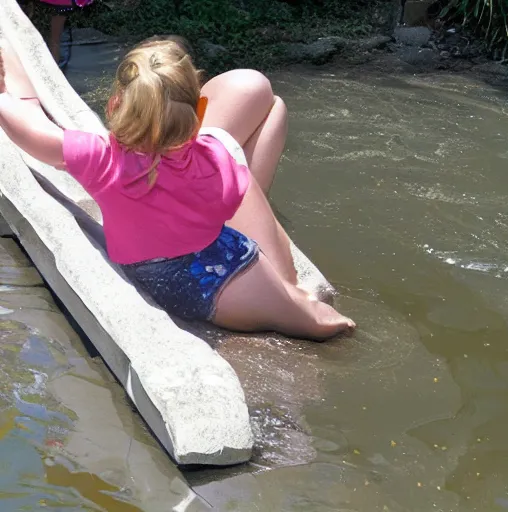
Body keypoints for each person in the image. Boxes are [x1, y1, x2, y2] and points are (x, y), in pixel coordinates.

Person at [0, 38, 356, 340]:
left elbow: (31, 129)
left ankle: (294, 303)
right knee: (316, 317)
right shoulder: (213, 155)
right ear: (197, 110)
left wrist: (3, 94)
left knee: (302, 313)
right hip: (232, 274)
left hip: (171, 286)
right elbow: (245, 199)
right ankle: (294, 295)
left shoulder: (100, 158)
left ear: (114, 104)